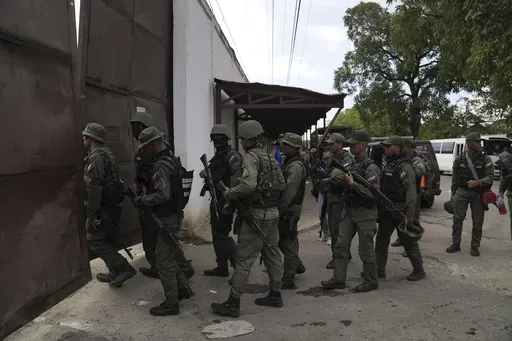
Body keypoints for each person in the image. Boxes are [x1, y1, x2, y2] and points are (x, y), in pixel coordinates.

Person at [211, 120, 285, 317]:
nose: (241, 142)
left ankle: (233, 304)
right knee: (272, 254)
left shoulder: (251, 157)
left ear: (247, 139)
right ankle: (275, 295)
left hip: (257, 216)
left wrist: (230, 194)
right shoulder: (271, 159)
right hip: (272, 213)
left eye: (242, 139)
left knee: (243, 260)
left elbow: (248, 185)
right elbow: (282, 185)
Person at [133, 127, 194, 316]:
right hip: (173, 215)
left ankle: (171, 304)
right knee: (169, 255)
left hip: (166, 217)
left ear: (152, 144)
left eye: (145, 146)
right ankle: (183, 289)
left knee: (163, 262)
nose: (144, 151)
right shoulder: (172, 159)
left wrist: (142, 200)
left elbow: (162, 194)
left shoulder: (160, 165)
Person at [321, 130, 381, 292]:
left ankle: (371, 280)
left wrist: (352, 184)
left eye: (354, 144)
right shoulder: (353, 164)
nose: (351, 147)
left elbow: (373, 194)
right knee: (340, 245)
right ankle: (339, 278)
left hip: (365, 213)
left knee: (366, 249)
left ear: (363, 145)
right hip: (350, 210)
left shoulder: (371, 168)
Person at [82, 123, 136, 287]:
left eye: (85, 136)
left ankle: (124, 268)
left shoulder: (97, 157)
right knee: (106, 240)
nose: (83, 139)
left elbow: (95, 189)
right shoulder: (107, 154)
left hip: (103, 208)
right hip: (111, 205)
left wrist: (91, 215)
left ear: (92, 138)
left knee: (95, 241)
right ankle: (115, 273)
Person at [375, 136, 426, 281]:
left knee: (408, 241)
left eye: (388, 146)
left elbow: (411, 192)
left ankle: (419, 270)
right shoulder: (388, 164)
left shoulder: (405, 167)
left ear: (397, 148)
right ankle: (379, 270)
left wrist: (409, 215)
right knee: (381, 241)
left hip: (400, 210)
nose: (385, 149)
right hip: (387, 209)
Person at [200, 124, 242, 277]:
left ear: (226, 139)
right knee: (216, 234)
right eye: (214, 138)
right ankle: (222, 266)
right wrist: (205, 173)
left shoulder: (232, 156)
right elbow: (214, 172)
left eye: (220, 138)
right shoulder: (218, 156)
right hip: (217, 198)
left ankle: (238, 264)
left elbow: (237, 180)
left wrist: (230, 201)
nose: (217, 141)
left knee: (222, 234)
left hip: (227, 200)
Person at [446, 132, 494, 257]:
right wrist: (453, 195)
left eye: (480, 142)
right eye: (477, 142)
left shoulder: (486, 159)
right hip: (461, 192)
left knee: (478, 222)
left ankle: (475, 247)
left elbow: (490, 177)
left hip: (478, 194)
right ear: (469, 143)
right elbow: (455, 179)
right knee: (457, 219)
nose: (479, 144)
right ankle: (456, 244)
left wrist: (478, 182)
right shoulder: (459, 159)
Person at [278, 133, 308, 289]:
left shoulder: (295, 166)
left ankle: (288, 279)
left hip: (289, 209)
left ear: (295, 148)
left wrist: (279, 209)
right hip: (289, 208)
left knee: (288, 243)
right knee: (285, 240)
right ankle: (297, 266)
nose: (282, 147)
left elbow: (289, 192)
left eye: (286, 145)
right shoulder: (289, 162)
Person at [321, 133, 355, 269]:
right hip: (331, 196)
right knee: (333, 227)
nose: (329, 146)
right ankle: (343, 253)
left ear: (339, 144)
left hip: (340, 198)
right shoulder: (333, 158)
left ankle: (338, 257)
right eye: (328, 144)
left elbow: (346, 177)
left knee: (337, 229)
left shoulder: (347, 158)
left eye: (331, 144)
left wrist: (329, 180)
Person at [391, 138, 428, 251]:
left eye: (403, 146)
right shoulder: (401, 159)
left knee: (412, 219)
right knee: (401, 218)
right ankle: (401, 238)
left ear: (408, 147)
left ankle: (411, 244)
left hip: (413, 192)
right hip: (401, 194)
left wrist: (406, 170)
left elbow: (419, 172)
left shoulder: (416, 159)